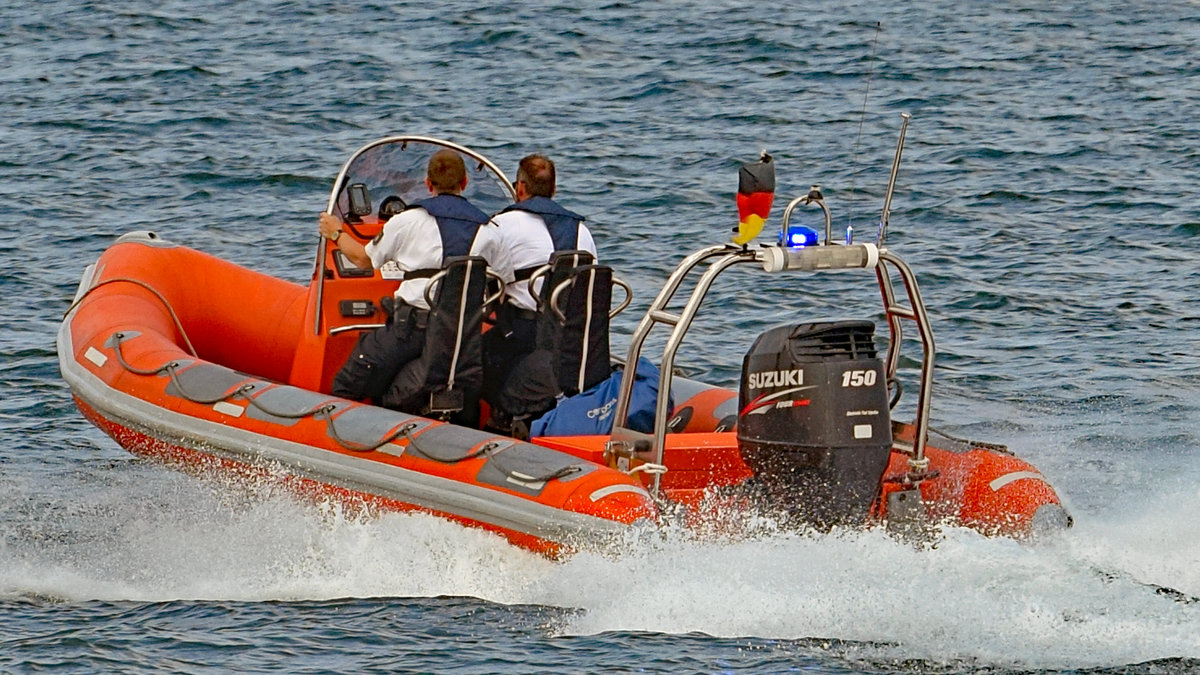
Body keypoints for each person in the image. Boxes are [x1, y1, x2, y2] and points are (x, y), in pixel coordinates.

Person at [320, 148, 512, 414]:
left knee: (348, 383)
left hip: (410, 330)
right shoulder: (491, 231)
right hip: (462, 336)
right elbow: (501, 287)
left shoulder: (407, 221)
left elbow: (363, 260)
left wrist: (336, 231)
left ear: (428, 184)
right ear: (464, 184)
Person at [482, 154, 597, 428]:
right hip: (573, 338)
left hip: (523, 335)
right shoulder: (582, 231)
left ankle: (478, 427)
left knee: (467, 359)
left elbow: (480, 281)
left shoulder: (501, 225)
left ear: (519, 188)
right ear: (554, 190)